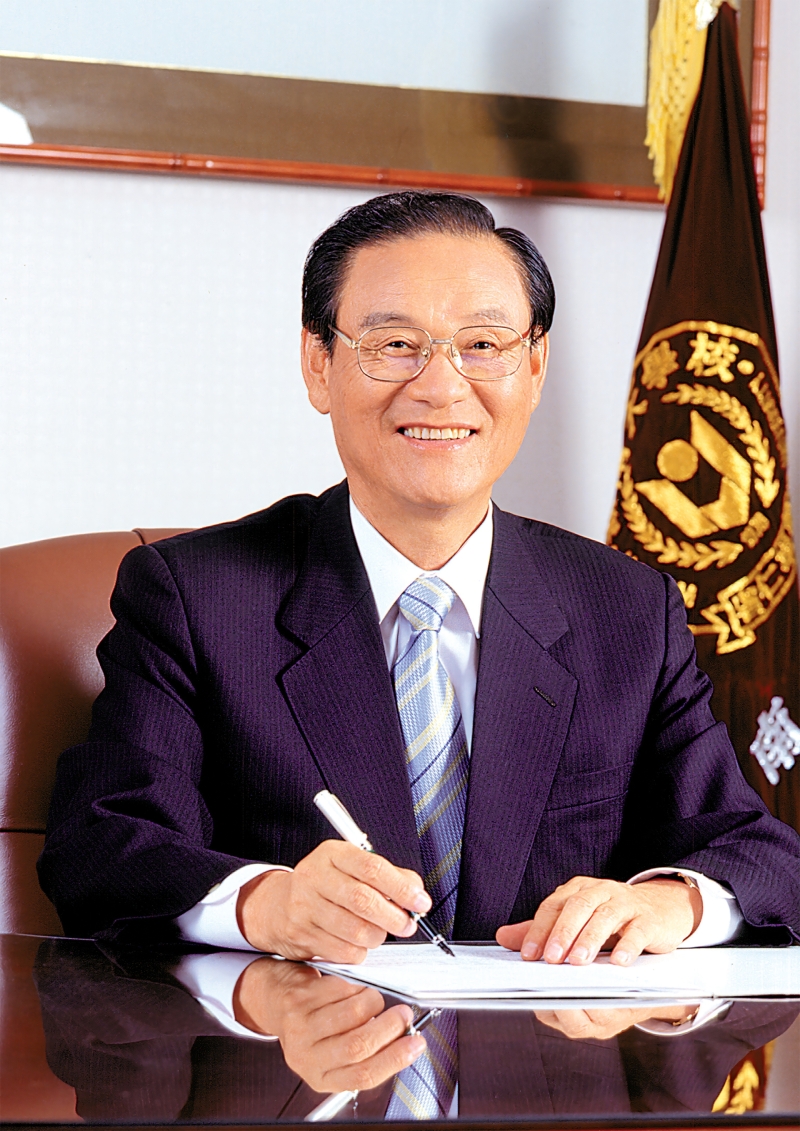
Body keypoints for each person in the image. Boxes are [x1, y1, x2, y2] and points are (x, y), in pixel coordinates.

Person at [40, 191, 800, 978]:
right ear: (318, 364)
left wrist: (675, 902)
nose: (441, 386)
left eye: (483, 344)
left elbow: (759, 853)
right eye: (396, 344)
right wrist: (265, 902)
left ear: (534, 366)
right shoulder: (197, 598)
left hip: (547, 1052)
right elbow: (103, 843)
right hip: (294, 1046)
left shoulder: (628, 611)